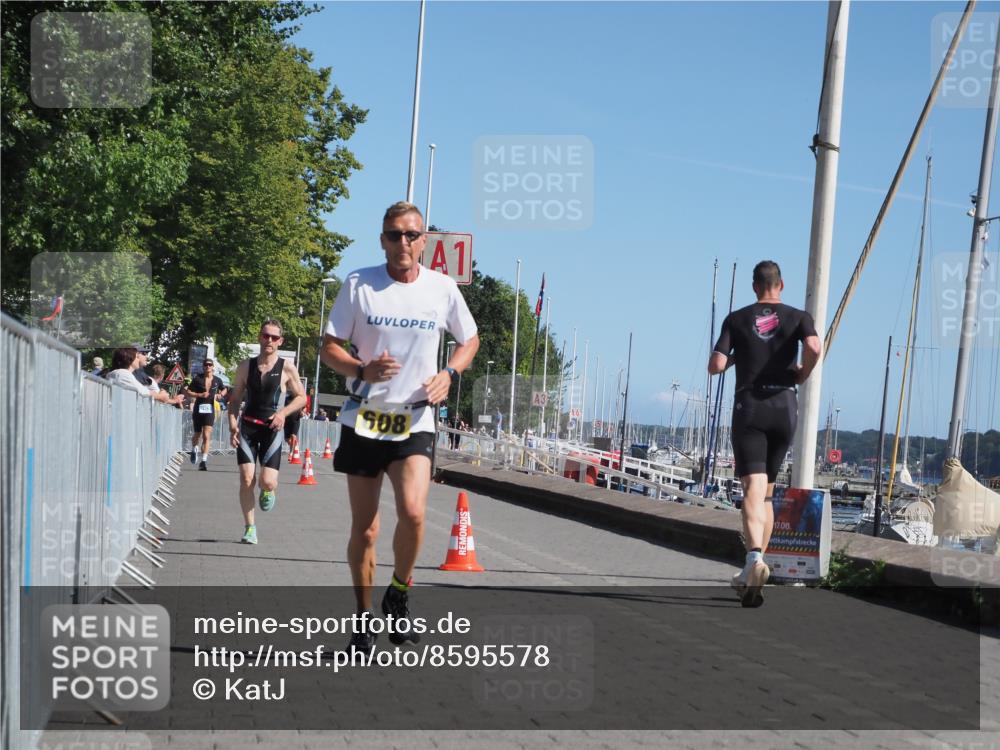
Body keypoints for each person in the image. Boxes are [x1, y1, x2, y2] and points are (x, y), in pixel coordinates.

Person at [321, 201, 479, 654]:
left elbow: (469, 339)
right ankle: (363, 620)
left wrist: (449, 374)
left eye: (411, 235)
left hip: (415, 419)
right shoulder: (359, 285)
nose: (402, 243)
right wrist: (360, 370)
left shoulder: (442, 288)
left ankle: (400, 591)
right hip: (365, 419)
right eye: (394, 235)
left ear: (424, 241)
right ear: (382, 239)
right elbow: (328, 347)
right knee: (365, 529)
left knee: (413, 513)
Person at [708, 260, 821, 608]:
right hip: (785, 407)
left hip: (752, 407)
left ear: (754, 286)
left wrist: (740, 354)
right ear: (780, 285)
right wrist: (802, 372)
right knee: (768, 492)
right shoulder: (799, 316)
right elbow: (815, 348)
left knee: (752, 490)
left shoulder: (737, 318)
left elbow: (716, 366)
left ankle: (754, 559)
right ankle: (750, 573)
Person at [227, 320, 306, 544]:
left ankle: (268, 490)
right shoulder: (245, 366)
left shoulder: (287, 367)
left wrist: (283, 413)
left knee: (268, 481)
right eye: (265, 336)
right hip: (248, 428)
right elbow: (234, 401)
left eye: (273, 337)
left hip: (272, 429)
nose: (268, 340)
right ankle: (250, 528)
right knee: (246, 478)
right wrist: (233, 425)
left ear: (280, 341)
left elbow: (301, 398)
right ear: (259, 337)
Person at [185, 358, 224, 470]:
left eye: (210, 365)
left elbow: (224, 389)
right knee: (197, 434)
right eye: (206, 365)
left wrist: (221, 394)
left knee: (207, 435)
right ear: (203, 366)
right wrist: (199, 395)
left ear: (213, 367)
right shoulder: (198, 379)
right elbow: (189, 391)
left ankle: (204, 461)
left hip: (210, 410)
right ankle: (194, 449)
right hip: (198, 409)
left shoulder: (217, 380)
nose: (208, 367)